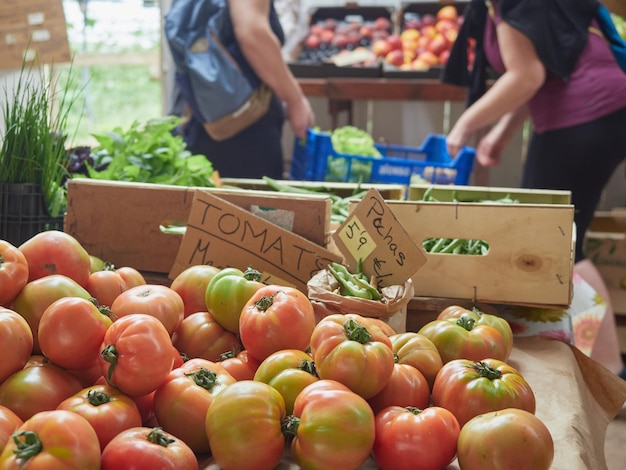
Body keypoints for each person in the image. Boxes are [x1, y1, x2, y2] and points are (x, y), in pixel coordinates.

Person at [442, 0, 626, 378]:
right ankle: (608, 368)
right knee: (569, 243)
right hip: (592, 113)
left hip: (585, 113)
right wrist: (501, 132)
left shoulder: (509, 4)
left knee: (557, 245)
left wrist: (464, 125)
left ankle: (609, 371)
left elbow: (527, 76)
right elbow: (543, 69)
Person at [175, 0, 314, 179]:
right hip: (242, 125)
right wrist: (295, 99)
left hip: (202, 113)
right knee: (248, 204)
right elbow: (252, 33)